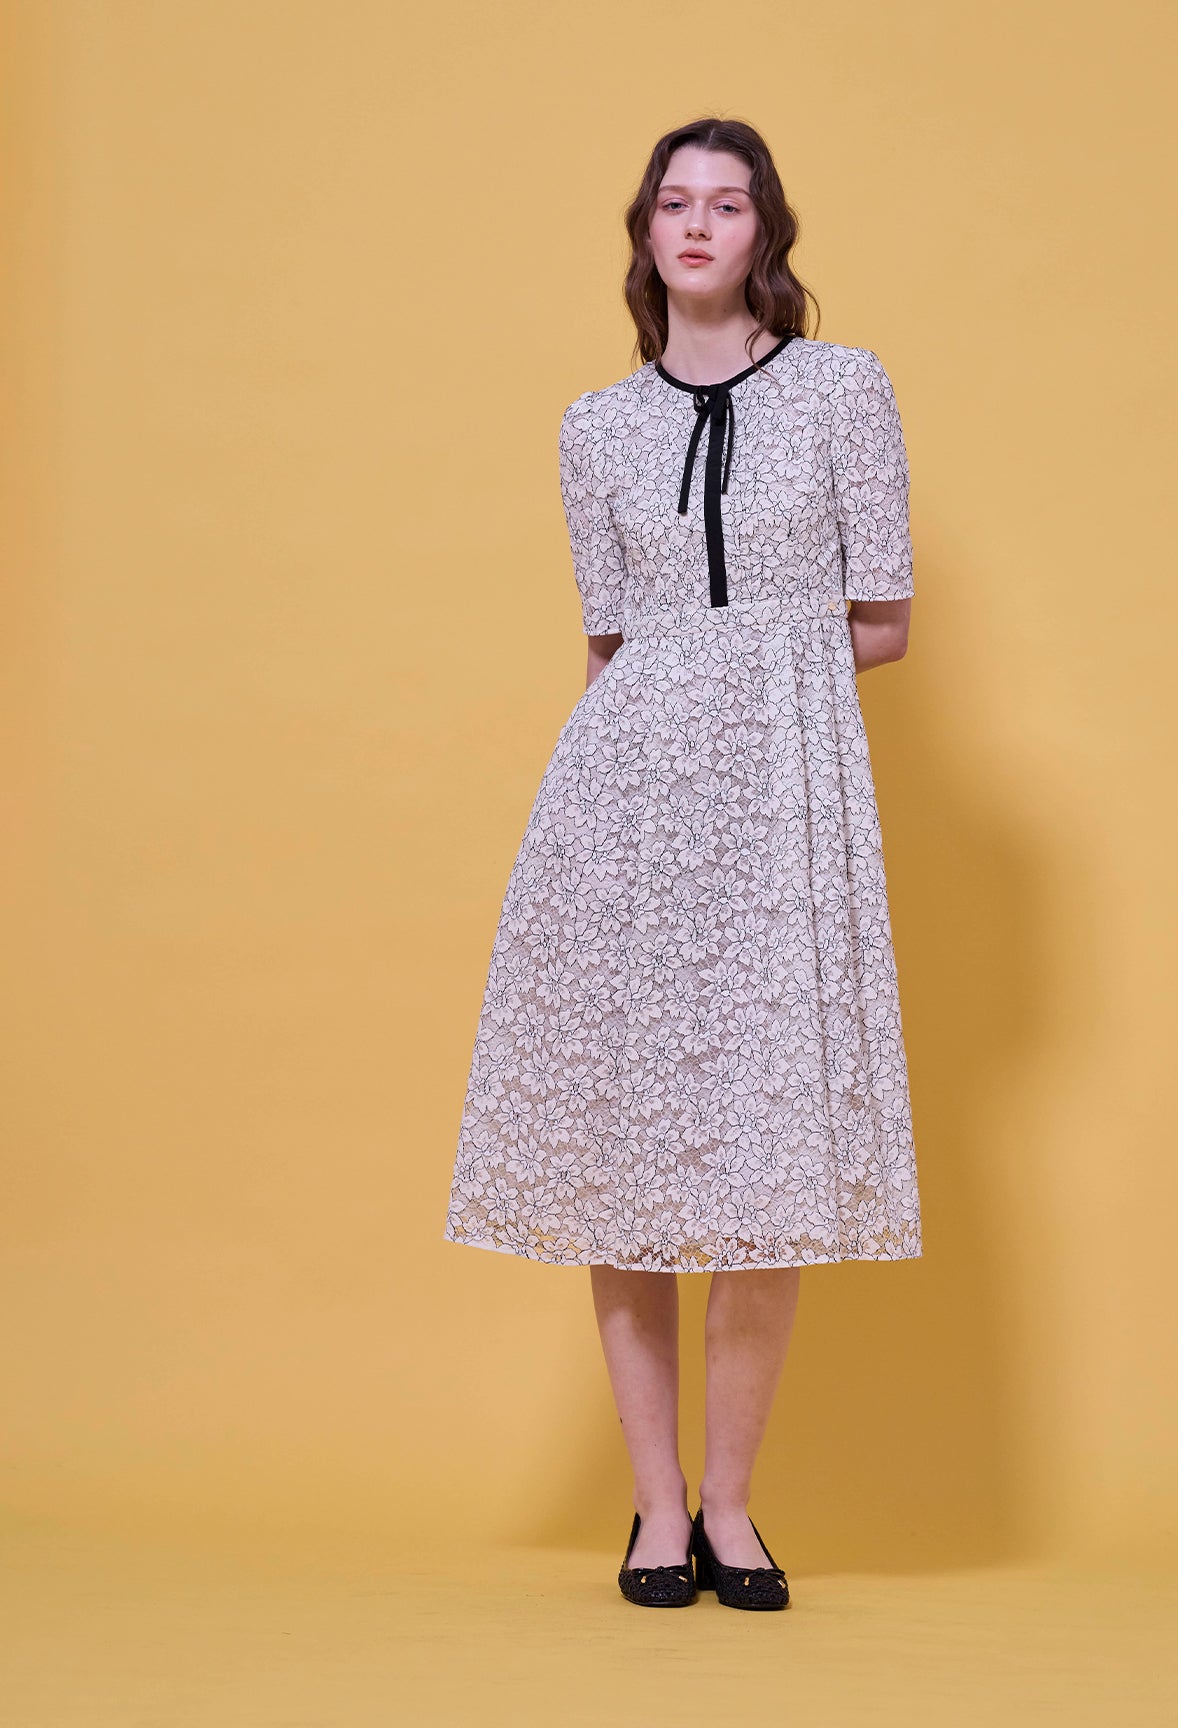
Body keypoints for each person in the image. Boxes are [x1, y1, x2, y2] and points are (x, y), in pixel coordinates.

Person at [443, 117, 920, 1610]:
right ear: (645, 234)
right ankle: (657, 1512)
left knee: (764, 1156)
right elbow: (608, 652)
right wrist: (661, 724)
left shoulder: (846, 390)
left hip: (782, 810)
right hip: (625, 812)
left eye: (727, 202)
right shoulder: (595, 425)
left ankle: (733, 1507)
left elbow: (885, 623)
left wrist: (748, 670)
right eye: (674, 202)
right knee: (629, 1163)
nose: (699, 223)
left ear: (767, 230)